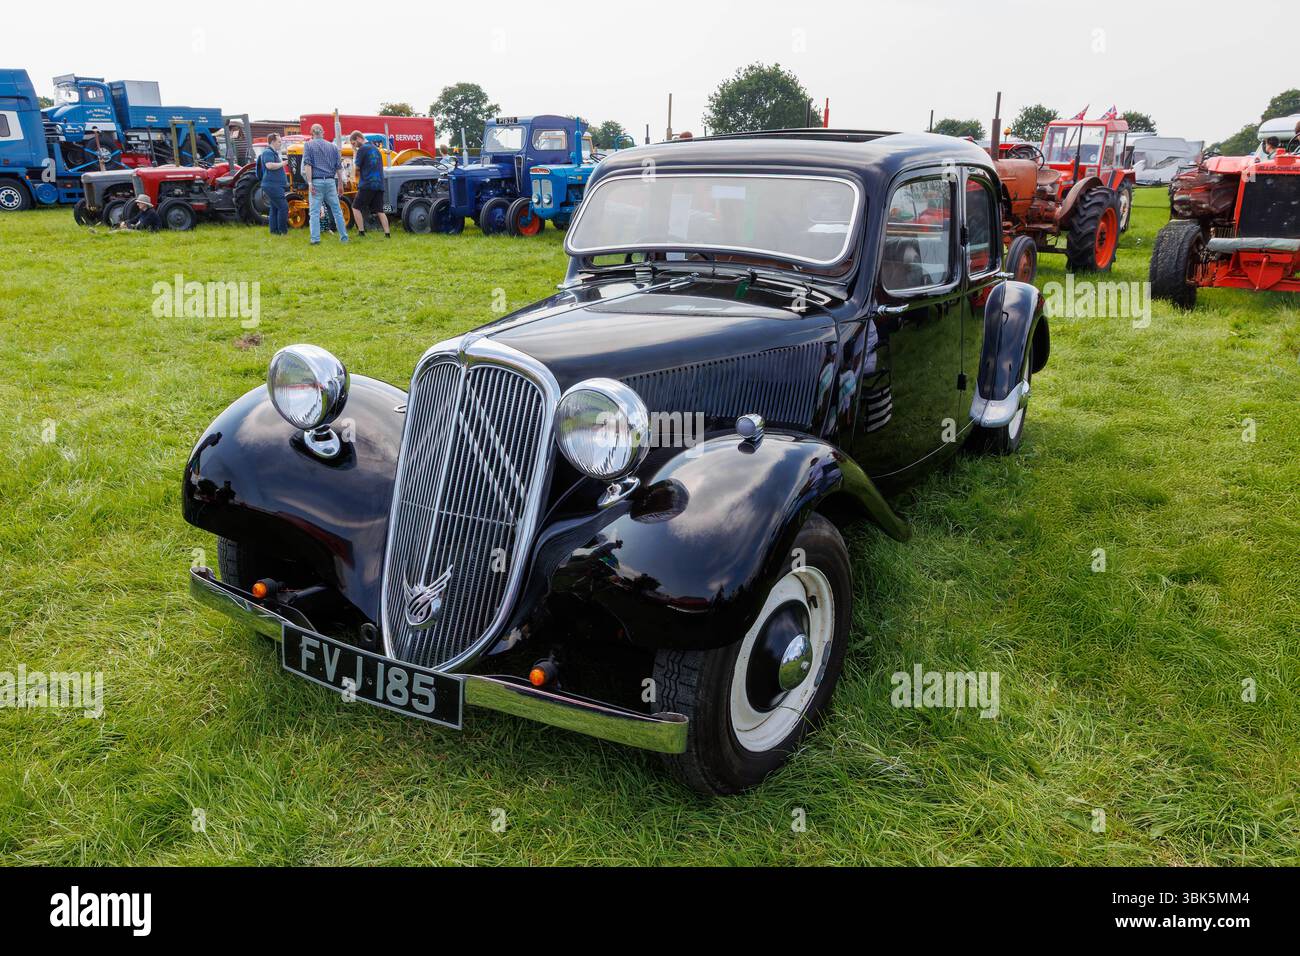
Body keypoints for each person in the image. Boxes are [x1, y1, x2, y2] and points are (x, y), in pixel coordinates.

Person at [301, 123, 349, 245]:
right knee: (337, 210)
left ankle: (315, 239)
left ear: (312, 133)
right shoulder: (333, 147)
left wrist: (310, 183)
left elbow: (307, 165)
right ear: (323, 132)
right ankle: (344, 237)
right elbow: (338, 167)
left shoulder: (308, 145)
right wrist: (340, 184)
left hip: (316, 181)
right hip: (330, 181)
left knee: (315, 212)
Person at [348, 131, 390, 238]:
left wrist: (354, 152)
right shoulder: (376, 149)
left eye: (353, 143)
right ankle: (387, 234)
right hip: (379, 183)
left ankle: (361, 232)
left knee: (355, 207)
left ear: (358, 138)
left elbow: (356, 168)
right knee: (380, 210)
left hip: (367, 183)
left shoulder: (362, 149)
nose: (354, 146)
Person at [257, 133, 290, 235]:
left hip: (274, 185)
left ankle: (274, 231)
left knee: (275, 208)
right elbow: (269, 165)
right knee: (283, 207)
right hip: (273, 185)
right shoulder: (268, 152)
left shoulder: (273, 152)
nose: (281, 144)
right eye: (279, 142)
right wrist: (284, 163)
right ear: (273, 142)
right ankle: (283, 231)